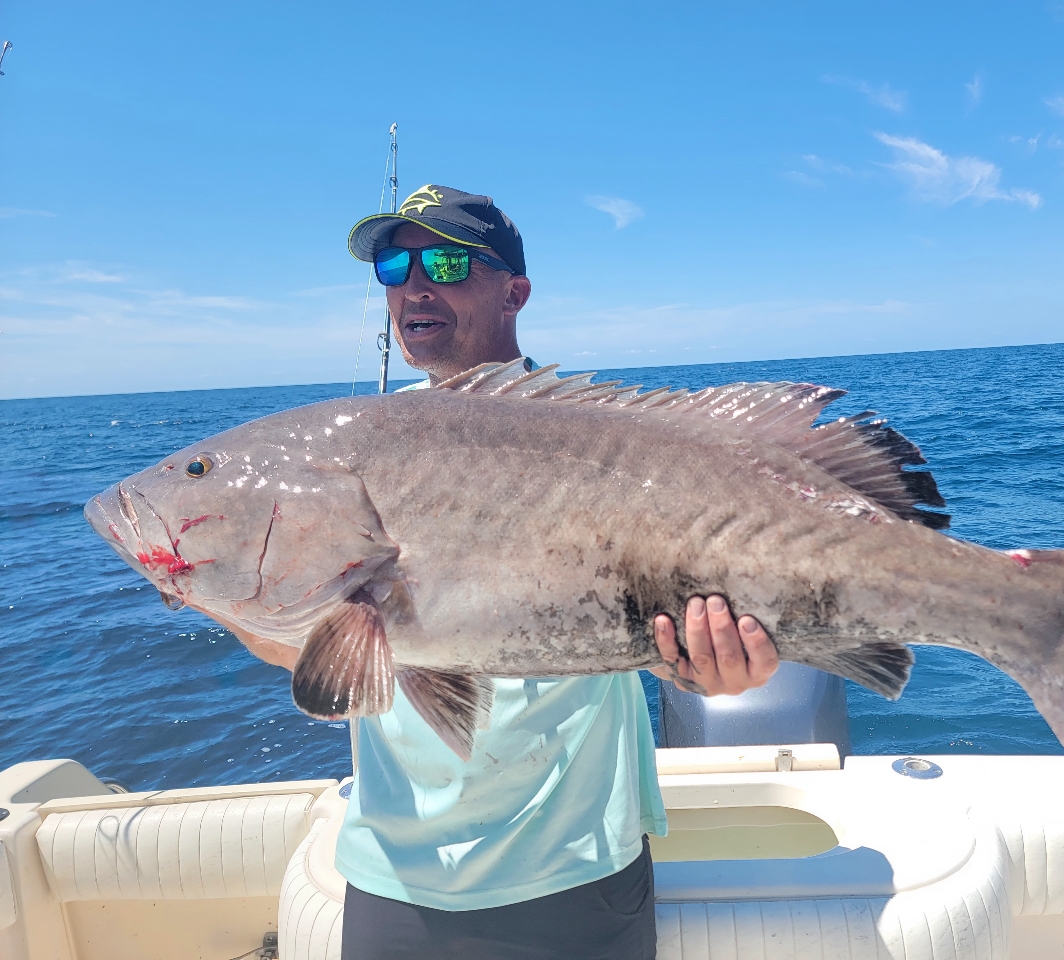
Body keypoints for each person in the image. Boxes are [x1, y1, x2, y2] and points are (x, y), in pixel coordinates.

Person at [231, 184, 780, 960]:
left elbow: (662, 631)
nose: (415, 284)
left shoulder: (607, 441)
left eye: (448, 260)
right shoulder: (351, 457)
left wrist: (711, 673)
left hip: (575, 872)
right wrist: (221, 590)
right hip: (393, 880)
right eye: (395, 265)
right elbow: (319, 655)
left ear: (514, 291)